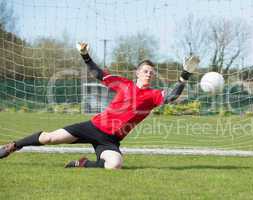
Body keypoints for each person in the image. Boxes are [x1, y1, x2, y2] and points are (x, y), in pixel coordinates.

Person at [0, 42, 199, 169]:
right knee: (49, 138)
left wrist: (184, 76)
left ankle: (84, 164)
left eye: (151, 72)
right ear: (137, 73)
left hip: (110, 140)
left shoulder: (153, 95)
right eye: (145, 71)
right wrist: (85, 55)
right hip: (92, 127)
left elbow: (171, 96)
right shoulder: (124, 84)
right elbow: (98, 74)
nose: (149, 74)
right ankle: (12, 147)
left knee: (115, 165)